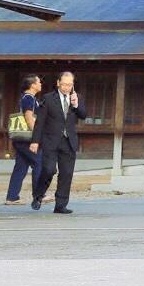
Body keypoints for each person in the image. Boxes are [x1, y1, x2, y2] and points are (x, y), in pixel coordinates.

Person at [29, 70, 83, 214]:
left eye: (70, 85)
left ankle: (61, 205)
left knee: (66, 173)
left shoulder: (76, 98)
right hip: (50, 141)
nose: (67, 88)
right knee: (49, 169)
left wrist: (77, 105)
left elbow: (84, 115)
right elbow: (40, 122)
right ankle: (38, 195)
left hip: (69, 141)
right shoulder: (48, 98)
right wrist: (35, 141)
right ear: (58, 83)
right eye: (64, 84)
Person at [4, 74, 44, 205]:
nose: (40, 84)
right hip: (27, 139)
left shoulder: (27, 98)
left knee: (20, 167)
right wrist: (36, 137)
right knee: (39, 163)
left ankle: (12, 196)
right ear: (32, 85)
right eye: (38, 82)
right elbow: (28, 118)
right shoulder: (29, 98)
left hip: (20, 139)